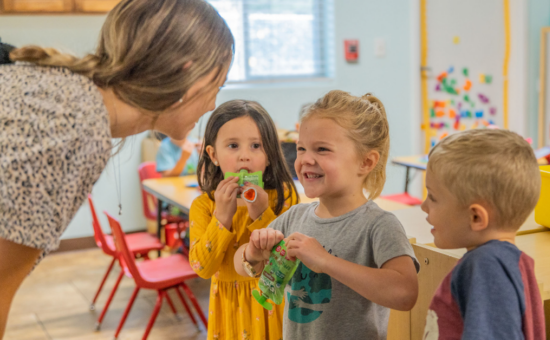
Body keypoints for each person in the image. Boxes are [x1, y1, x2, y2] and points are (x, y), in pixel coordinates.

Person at [0, 0, 234, 336]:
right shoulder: (77, 129)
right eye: (218, 86)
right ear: (187, 74)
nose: (213, 104)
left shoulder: (69, 95)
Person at [234, 90, 420, 340]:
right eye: (301, 149)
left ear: (365, 162)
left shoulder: (378, 225)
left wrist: (325, 262)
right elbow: (242, 266)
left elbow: (405, 293)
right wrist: (252, 253)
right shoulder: (294, 217)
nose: (305, 159)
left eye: (322, 149)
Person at [420, 129, 545, 340]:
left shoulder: (485, 267)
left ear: (476, 217)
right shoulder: (510, 262)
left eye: (432, 197)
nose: (424, 206)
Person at [189, 100, 299, 340]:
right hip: (228, 311)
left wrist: (261, 214)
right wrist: (222, 217)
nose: (244, 157)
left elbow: (285, 265)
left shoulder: (284, 198)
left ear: (270, 154)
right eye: (233, 145)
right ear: (213, 154)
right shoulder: (203, 206)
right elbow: (202, 269)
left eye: (256, 146)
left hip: (273, 306)